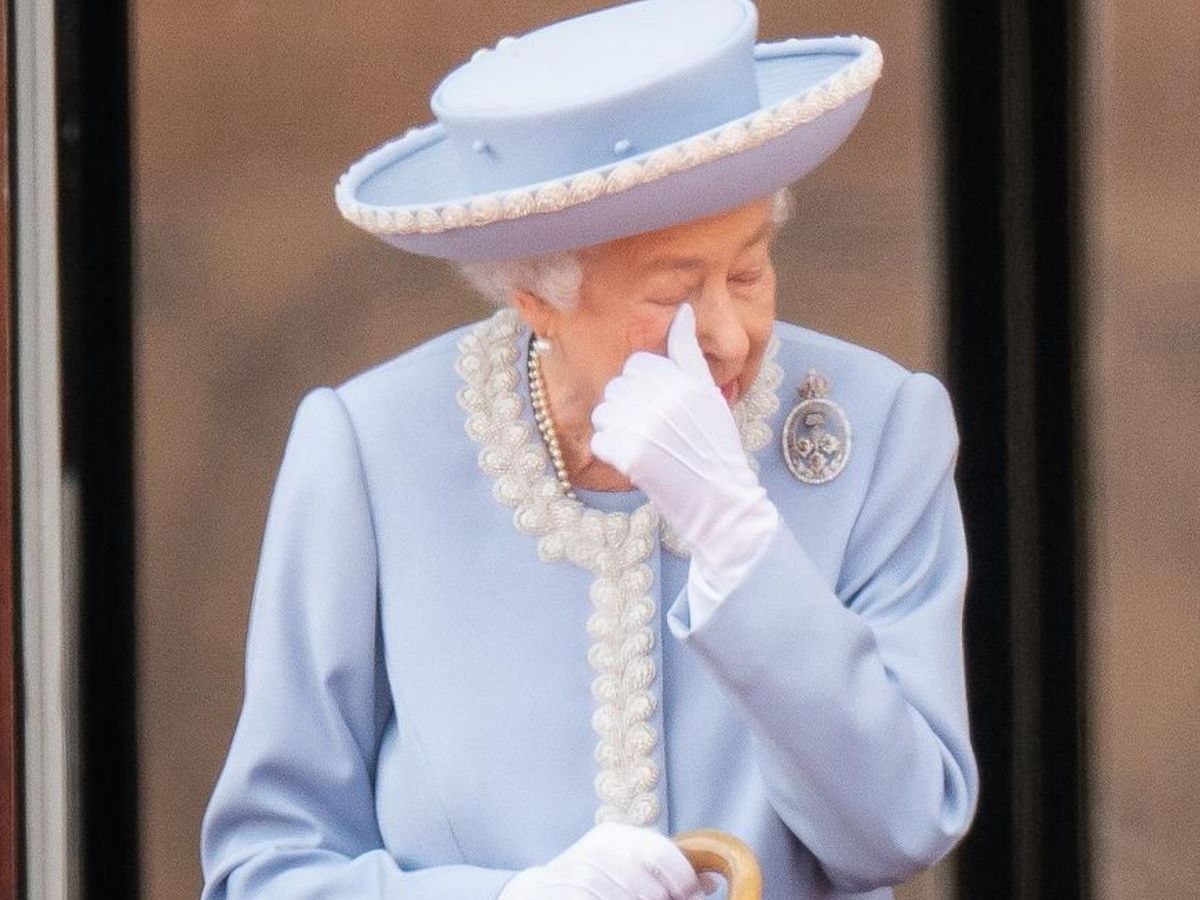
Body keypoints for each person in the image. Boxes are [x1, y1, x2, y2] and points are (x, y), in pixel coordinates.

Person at [200, 1, 979, 898]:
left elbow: (902, 825)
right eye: (673, 297)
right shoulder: (371, 452)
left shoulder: (880, 431)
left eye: (748, 271)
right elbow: (266, 872)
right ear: (536, 294)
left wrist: (744, 550)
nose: (727, 333)